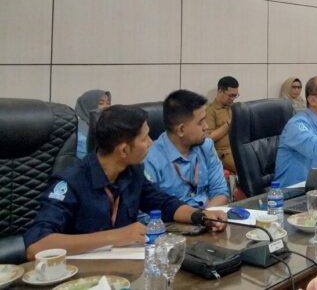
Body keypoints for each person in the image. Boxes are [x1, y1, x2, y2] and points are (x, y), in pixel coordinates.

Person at [23, 105, 226, 259]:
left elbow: (163, 203)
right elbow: (36, 246)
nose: (151, 143)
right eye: (145, 139)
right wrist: (116, 236)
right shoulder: (71, 181)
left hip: (123, 270)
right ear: (124, 150)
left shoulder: (131, 171)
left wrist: (200, 216)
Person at [145, 90, 230, 208]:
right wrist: (196, 216)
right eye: (200, 122)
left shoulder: (206, 146)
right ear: (181, 130)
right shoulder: (151, 160)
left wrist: (204, 216)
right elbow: (147, 214)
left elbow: (221, 192)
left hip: (208, 214)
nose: (206, 127)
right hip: (173, 219)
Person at [205, 76, 239, 173]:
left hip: (239, 148)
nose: (233, 99)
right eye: (231, 95)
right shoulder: (210, 111)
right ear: (220, 91)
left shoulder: (235, 108)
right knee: (246, 168)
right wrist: (229, 123)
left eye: (235, 95)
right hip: (224, 153)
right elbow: (208, 138)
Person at [74, 90, 111, 159]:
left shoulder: (106, 125)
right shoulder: (80, 131)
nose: (106, 106)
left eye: (108, 103)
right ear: (88, 106)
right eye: (101, 103)